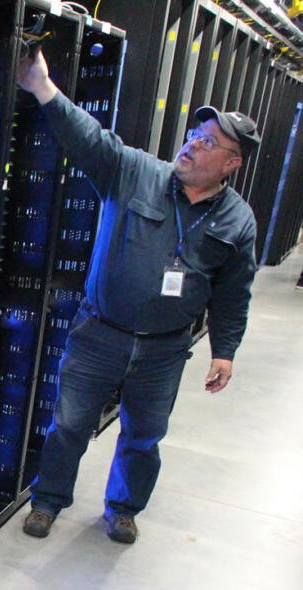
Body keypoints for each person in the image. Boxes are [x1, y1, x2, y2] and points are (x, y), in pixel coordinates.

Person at [15, 49, 260, 544]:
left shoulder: (238, 221)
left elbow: (234, 292)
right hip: (100, 333)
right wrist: (43, 87)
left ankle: (124, 508)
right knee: (69, 426)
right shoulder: (136, 173)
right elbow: (90, 140)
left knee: (144, 436)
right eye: (195, 134)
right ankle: (48, 500)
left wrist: (225, 352)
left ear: (231, 162)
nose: (192, 144)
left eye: (208, 142)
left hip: (164, 350)